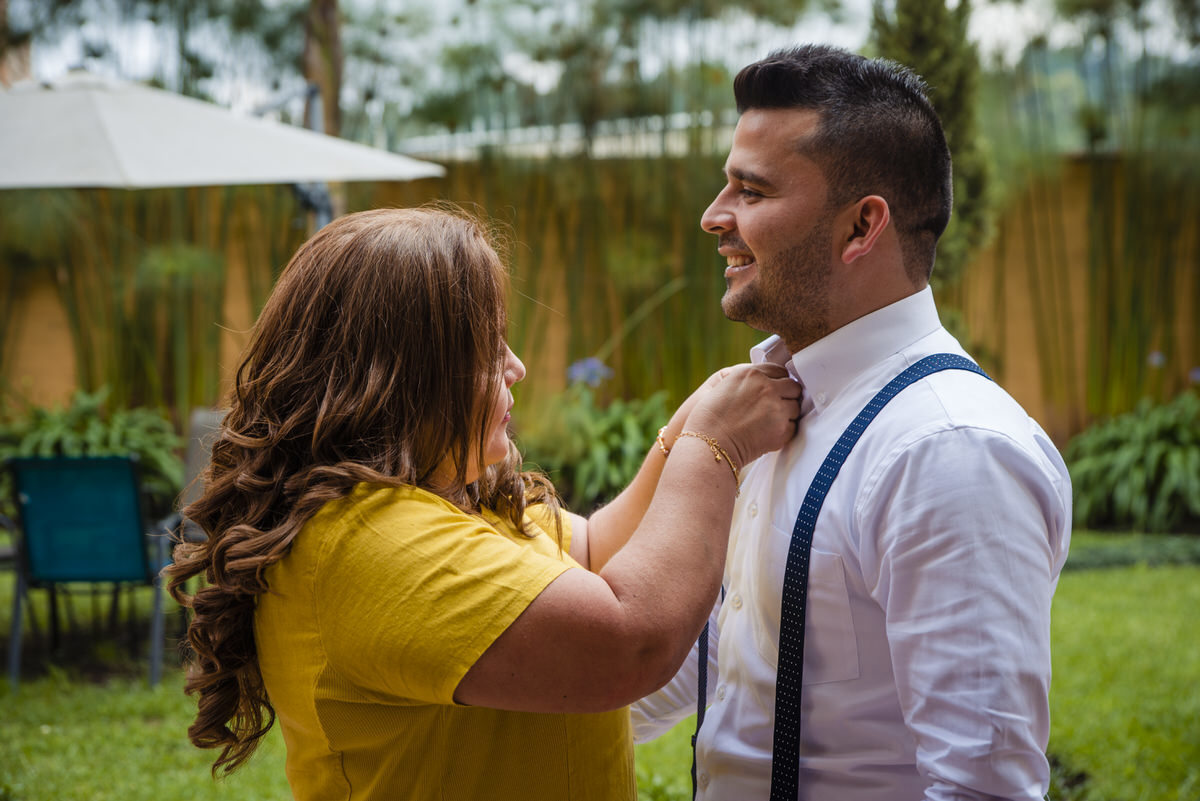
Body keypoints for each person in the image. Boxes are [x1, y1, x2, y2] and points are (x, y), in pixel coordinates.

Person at [165, 206, 801, 801]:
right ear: (404, 375)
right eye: (487, 347)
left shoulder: (446, 496)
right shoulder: (373, 541)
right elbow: (628, 646)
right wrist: (712, 447)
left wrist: (684, 426)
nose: (516, 366)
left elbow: (595, 554)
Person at [632, 45, 1073, 800]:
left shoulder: (950, 450)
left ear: (862, 226)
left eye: (751, 190)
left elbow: (982, 786)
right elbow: (727, 655)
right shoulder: (770, 407)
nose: (714, 216)